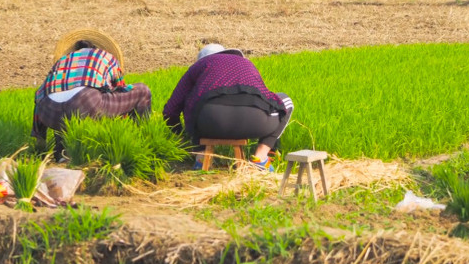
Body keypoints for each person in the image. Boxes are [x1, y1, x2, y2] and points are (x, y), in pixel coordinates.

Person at [162, 44, 294, 171]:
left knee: (194, 101)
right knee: (285, 101)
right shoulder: (246, 63)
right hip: (254, 122)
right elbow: (268, 99)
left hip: (211, 121)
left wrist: (183, 135)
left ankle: (201, 156)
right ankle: (260, 157)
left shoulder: (199, 67)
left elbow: (170, 110)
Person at [32, 29, 152, 161]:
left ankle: (63, 155)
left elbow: (39, 96)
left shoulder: (61, 62)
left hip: (48, 111)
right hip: (84, 103)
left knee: (64, 109)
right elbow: (120, 87)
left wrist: (40, 139)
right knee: (142, 91)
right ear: (96, 48)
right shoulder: (105, 56)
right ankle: (141, 143)